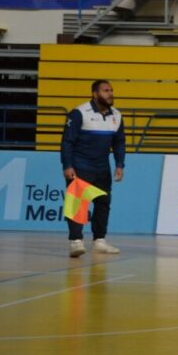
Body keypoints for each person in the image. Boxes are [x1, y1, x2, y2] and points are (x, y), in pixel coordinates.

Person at [60, 79, 125, 258]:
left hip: (102, 168)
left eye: (111, 90)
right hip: (80, 166)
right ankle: (75, 241)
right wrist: (67, 165)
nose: (110, 94)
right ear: (95, 94)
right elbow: (67, 142)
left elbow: (119, 142)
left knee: (103, 204)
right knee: (77, 204)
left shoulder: (116, 116)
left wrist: (119, 164)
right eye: (105, 91)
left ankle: (99, 241)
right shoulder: (79, 113)